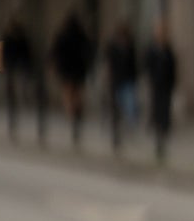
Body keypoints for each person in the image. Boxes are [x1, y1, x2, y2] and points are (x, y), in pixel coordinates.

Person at [50, 8, 95, 141]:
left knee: (69, 93)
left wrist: (55, 65)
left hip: (67, 69)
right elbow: (89, 50)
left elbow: (55, 51)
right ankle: (77, 113)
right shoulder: (81, 35)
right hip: (78, 69)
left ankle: (72, 115)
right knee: (77, 92)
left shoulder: (62, 35)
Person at [144, 19, 178, 160]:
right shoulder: (152, 48)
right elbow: (147, 64)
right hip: (156, 83)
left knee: (166, 106)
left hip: (167, 83)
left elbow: (173, 65)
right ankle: (158, 128)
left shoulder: (168, 48)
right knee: (157, 106)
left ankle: (164, 127)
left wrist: (174, 80)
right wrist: (150, 78)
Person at [105, 19, 140, 139]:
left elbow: (133, 63)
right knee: (119, 105)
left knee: (130, 104)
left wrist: (135, 76)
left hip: (128, 79)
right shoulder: (112, 46)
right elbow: (109, 63)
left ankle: (130, 126)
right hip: (117, 80)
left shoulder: (130, 45)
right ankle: (119, 128)